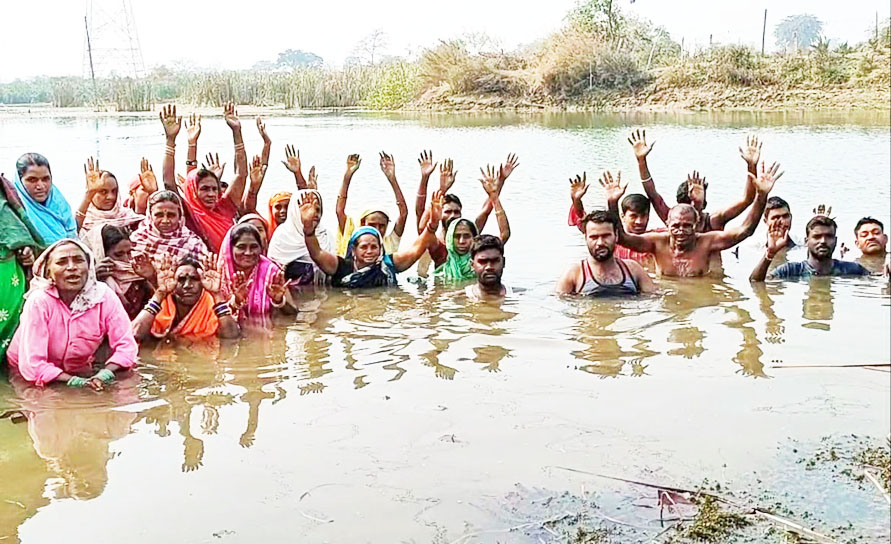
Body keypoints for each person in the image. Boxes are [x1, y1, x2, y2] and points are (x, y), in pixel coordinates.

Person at [603, 162, 782, 277]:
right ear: (667, 225)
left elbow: (746, 229)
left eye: (687, 226)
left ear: (696, 226)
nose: (681, 231)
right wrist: (612, 203)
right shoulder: (656, 243)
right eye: (676, 226)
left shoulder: (708, 241)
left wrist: (762, 195)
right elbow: (622, 237)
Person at [6, 239, 138, 389]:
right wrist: (75, 382)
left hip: (78, 369)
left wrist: (104, 374)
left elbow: (127, 347)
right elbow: (33, 365)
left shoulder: (104, 296)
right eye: (61, 262)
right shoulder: (39, 301)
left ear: (89, 268)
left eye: (78, 260)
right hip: (26, 373)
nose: (72, 267)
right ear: (49, 273)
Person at [300, 191, 444, 288]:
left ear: (381, 248)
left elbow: (415, 250)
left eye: (374, 247)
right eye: (363, 247)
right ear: (353, 250)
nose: (369, 251)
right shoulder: (341, 267)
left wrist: (432, 225)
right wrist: (308, 228)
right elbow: (317, 253)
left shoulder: (389, 264)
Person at [629, 130, 762, 233]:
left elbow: (747, 199)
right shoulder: (673, 220)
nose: (687, 216)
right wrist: (641, 161)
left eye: (696, 204)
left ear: (704, 204)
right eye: (686, 207)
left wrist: (751, 166)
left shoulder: (714, 221)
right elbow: (652, 194)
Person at [159, 103, 247, 252]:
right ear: (193, 191)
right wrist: (170, 141)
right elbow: (169, 184)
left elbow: (241, 175)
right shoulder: (189, 214)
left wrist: (237, 132)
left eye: (214, 188)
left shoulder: (224, 208)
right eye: (205, 189)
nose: (212, 194)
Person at [132, 254, 240, 342]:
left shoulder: (210, 306)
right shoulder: (163, 304)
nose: (187, 285)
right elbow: (135, 335)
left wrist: (217, 294)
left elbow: (232, 338)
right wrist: (160, 293)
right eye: (181, 279)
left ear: (202, 283)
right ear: (173, 283)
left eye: (194, 279)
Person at [433, 165, 511, 281]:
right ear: (450, 239)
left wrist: (495, 194)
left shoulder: (478, 254)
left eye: (466, 236)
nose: (462, 241)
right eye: (456, 236)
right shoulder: (440, 252)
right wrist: (441, 189)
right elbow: (423, 226)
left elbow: (503, 233)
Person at [556, 210, 656, 295]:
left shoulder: (633, 269)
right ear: (586, 238)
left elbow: (654, 297)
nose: (600, 243)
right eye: (594, 237)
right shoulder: (574, 273)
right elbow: (558, 304)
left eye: (606, 236)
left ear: (616, 236)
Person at [0, 174, 43, 364]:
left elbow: (21, 235)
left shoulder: (4, 198)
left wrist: (26, 250)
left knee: (9, 347)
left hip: (8, 279)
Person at [568, 172, 655, 265]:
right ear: (623, 217)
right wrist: (576, 201)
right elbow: (585, 223)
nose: (639, 221)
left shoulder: (655, 240)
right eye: (633, 216)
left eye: (643, 216)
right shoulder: (610, 237)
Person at [751, 215, 871, 281]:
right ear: (807, 241)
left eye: (829, 236)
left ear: (835, 241)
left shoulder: (852, 269)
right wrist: (770, 254)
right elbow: (756, 282)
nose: (823, 241)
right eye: (817, 237)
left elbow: (879, 279)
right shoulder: (791, 271)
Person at [335, 152, 408, 256]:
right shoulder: (351, 236)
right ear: (362, 223)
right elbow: (339, 211)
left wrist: (392, 179)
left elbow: (403, 213)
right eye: (372, 225)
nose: (377, 230)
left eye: (382, 226)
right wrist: (347, 177)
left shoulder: (389, 243)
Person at [80, 224, 156, 319]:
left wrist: (152, 279)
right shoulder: (85, 282)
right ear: (101, 254)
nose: (126, 260)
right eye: (118, 254)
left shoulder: (139, 277)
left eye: (129, 253)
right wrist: (92, 279)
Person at [218, 223, 288, 321]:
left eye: (254, 247)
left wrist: (278, 300)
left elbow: (292, 314)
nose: (248, 253)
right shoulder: (218, 276)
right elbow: (213, 319)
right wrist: (236, 301)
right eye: (241, 247)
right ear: (230, 248)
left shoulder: (272, 272)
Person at [129, 190, 207, 271]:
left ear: (180, 216)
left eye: (171, 215)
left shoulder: (193, 244)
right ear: (150, 216)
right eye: (159, 215)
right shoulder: (137, 239)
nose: (165, 221)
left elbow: (204, 274)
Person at [267, 189, 332, 286]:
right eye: (307, 210)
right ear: (295, 212)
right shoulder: (282, 236)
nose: (313, 214)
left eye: (317, 210)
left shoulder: (326, 236)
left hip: (323, 296)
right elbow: (272, 275)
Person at [12, 152, 77, 243]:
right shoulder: (14, 210)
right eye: (32, 180)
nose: (40, 186)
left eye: (45, 179)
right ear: (19, 182)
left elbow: (72, 233)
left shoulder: (59, 203)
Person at [76, 157, 145, 237]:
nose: (110, 197)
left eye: (114, 191)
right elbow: (72, 232)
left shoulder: (129, 218)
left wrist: (152, 193)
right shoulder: (84, 222)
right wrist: (88, 196)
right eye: (103, 192)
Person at [465, 235, 512, 301]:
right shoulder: (460, 298)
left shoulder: (519, 296)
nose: (489, 267)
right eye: (482, 261)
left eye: (495, 261)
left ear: (503, 262)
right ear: (472, 265)